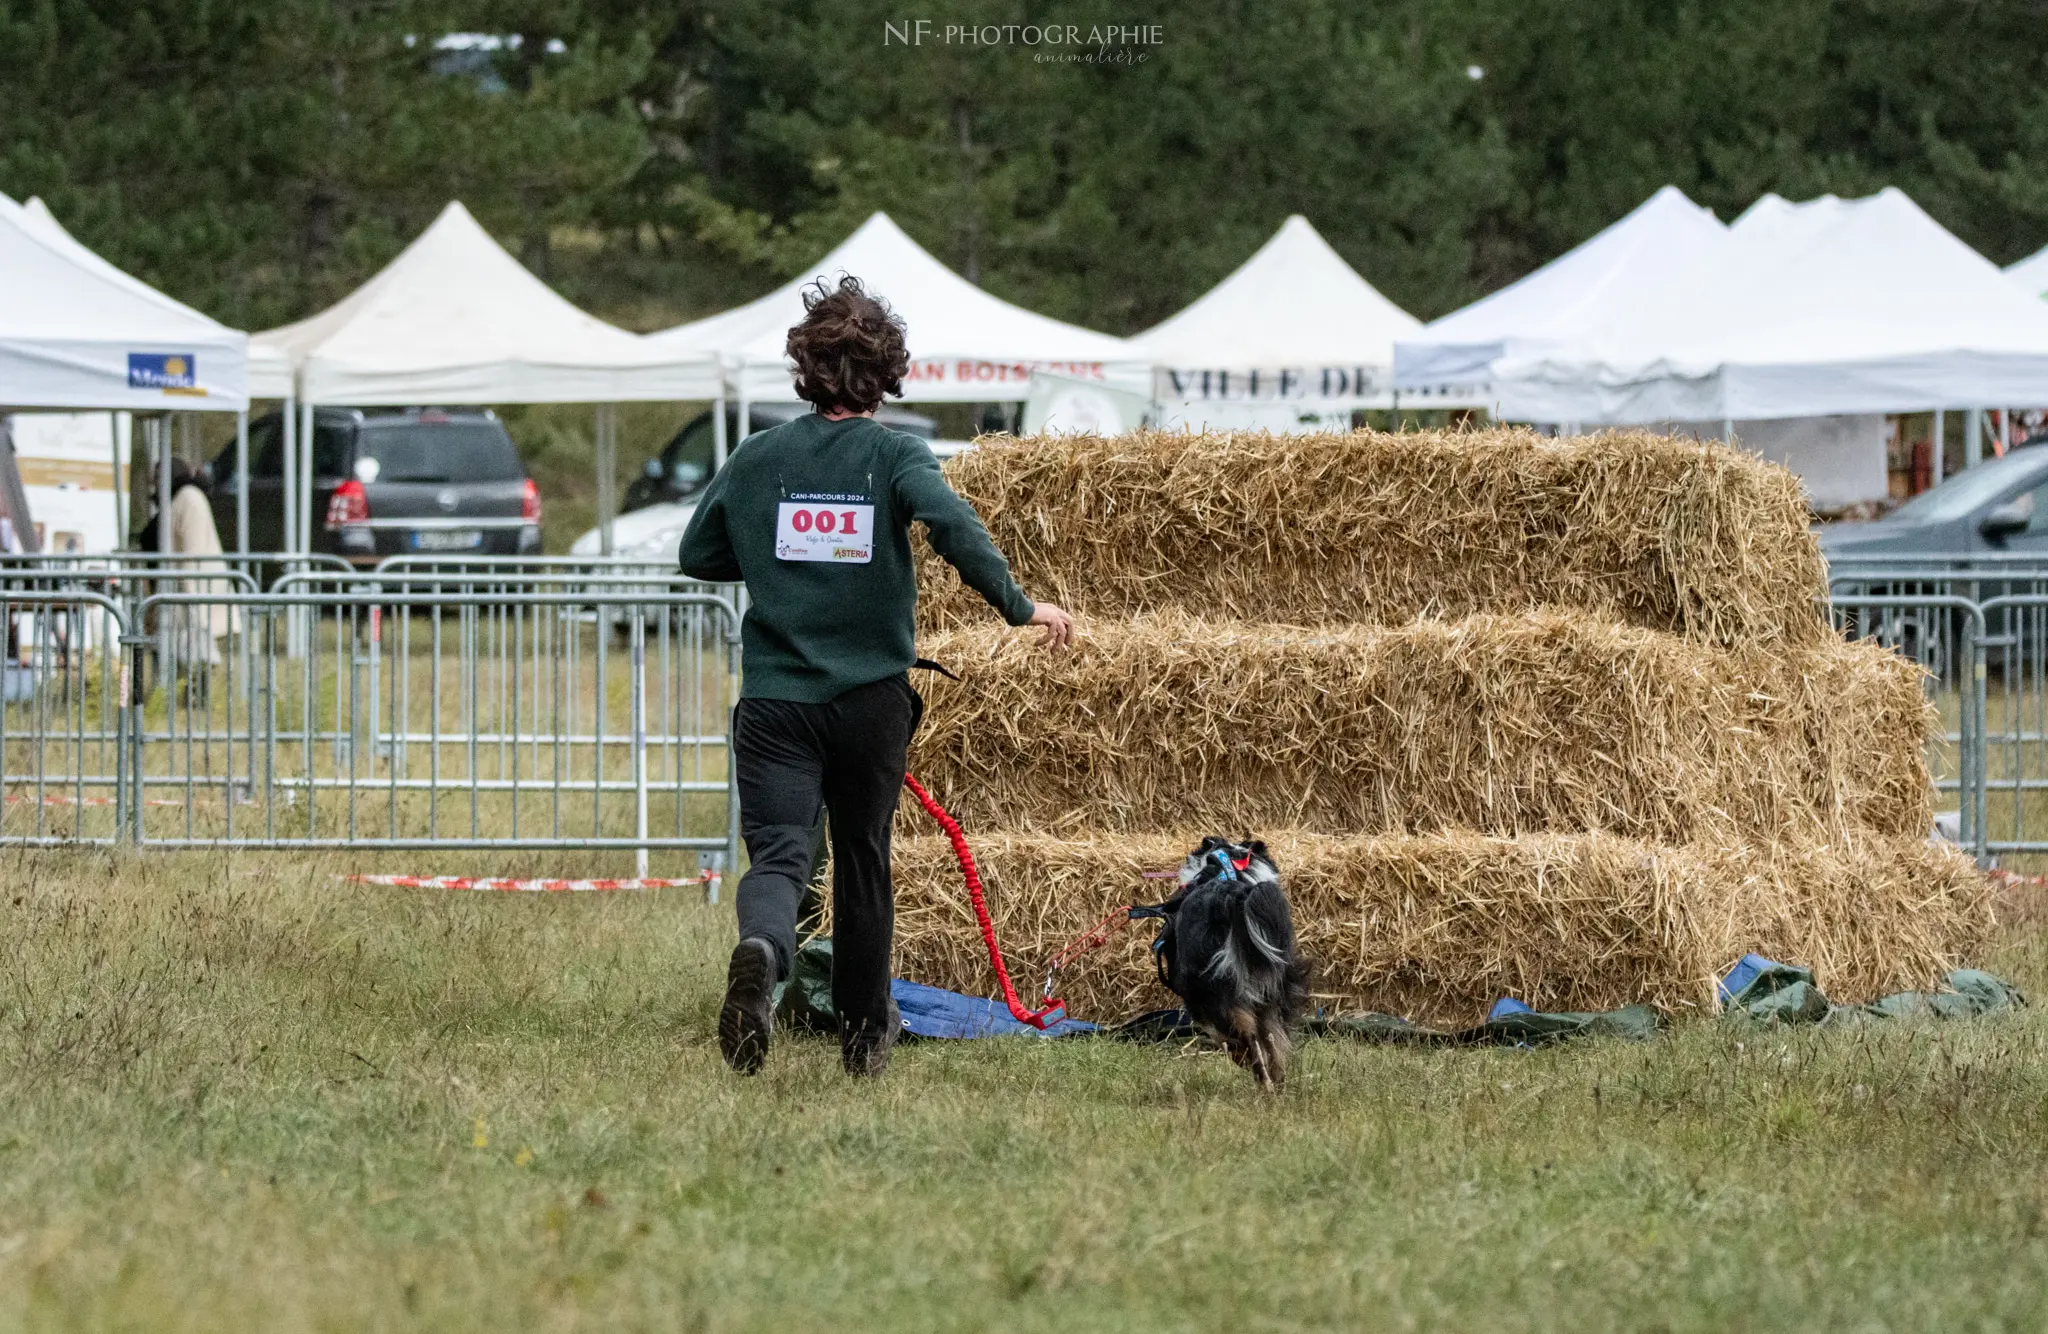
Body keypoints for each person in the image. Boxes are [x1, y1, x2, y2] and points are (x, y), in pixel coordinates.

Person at [678, 275, 1073, 1078]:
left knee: (783, 856)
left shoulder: (758, 455)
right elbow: (951, 522)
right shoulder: (896, 453)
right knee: (864, 859)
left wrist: (772, 558)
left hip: (776, 702)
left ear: (805, 368)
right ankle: (863, 1038)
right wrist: (1018, 606)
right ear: (886, 372)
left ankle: (762, 947)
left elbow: (697, 554)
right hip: (869, 701)